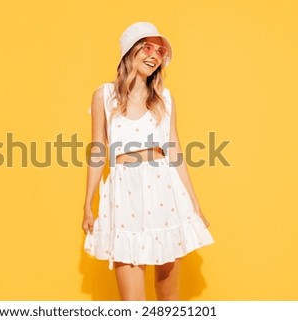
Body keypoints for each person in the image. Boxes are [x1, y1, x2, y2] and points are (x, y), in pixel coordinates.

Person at [82, 21, 214, 301]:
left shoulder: (164, 98)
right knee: (133, 305)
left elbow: (175, 153)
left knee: (169, 301)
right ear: (130, 51)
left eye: (160, 51)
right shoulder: (103, 96)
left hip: (164, 192)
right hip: (123, 194)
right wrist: (88, 204)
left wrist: (195, 205)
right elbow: (97, 150)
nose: (155, 55)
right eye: (147, 47)